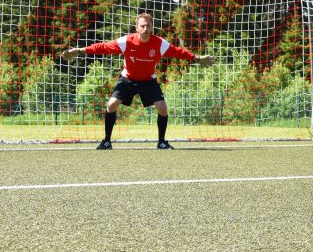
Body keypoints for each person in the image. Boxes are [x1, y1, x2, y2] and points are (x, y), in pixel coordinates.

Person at [61, 12, 215, 149]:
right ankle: (106, 141)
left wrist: (196, 58)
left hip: (148, 80)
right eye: (142, 26)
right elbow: (103, 47)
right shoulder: (127, 41)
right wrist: (80, 51)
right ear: (137, 28)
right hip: (127, 79)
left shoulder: (159, 43)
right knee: (111, 105)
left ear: (152, 27)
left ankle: (162, 142)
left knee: (162, 108)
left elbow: (178, 52)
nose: (145, 28)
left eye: (148, 26)